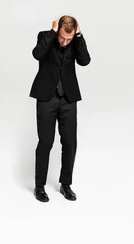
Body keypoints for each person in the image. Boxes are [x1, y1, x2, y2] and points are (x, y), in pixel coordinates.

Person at [30, 15, 91, 202]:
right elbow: (37, 54)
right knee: (46, 142)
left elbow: (85, 61)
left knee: (70, 142)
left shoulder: (75, 41)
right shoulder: (45, 36)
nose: (65, 42)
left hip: (68, 98)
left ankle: (66, 184)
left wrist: (78, 37)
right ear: (57, 31)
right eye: (62, 38)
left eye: (69, 39)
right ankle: (39, 186)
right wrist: (52, 33)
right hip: (46, 97)